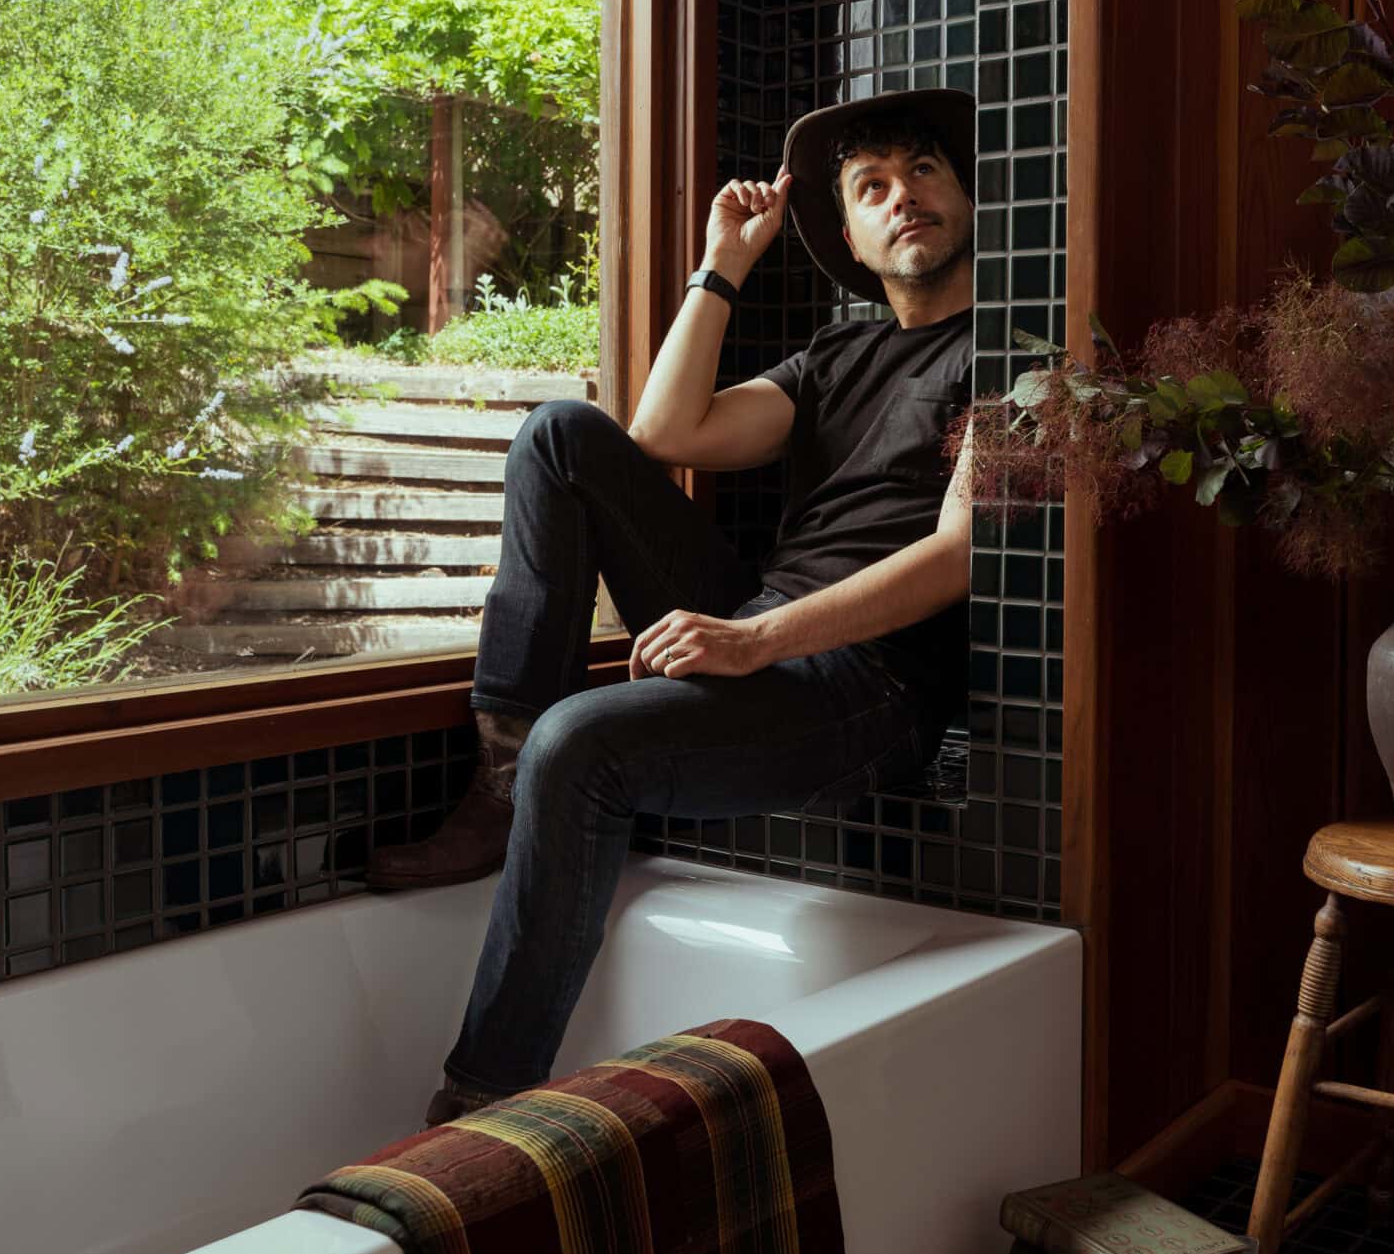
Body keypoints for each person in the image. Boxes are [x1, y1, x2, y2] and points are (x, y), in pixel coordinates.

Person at [364, 88, 978, 1126]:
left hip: (868, 684)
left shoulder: (1007, 349)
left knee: (586, 745)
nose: (901, 197)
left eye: (923, 170)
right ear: (852, 239)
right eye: (871, 186)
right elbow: (662, 430)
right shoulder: (839, 353)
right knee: (563, 437)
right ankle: (504, 770)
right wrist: (724, 264)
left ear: (966, 196)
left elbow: (957, 555)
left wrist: (753, 638)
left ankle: (474, 1107)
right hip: (764, 638)